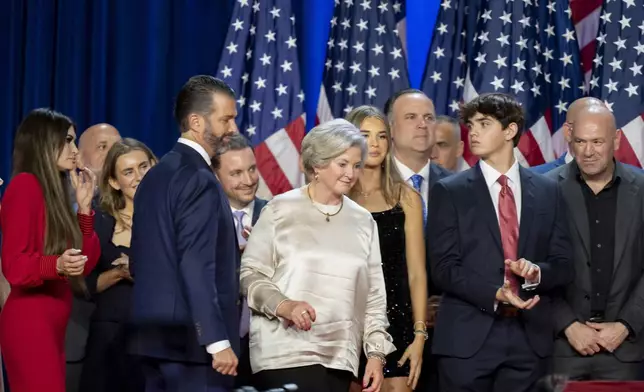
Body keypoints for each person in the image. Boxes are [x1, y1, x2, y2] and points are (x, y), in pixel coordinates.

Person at [428, 93, 574, 391]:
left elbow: (564, 264)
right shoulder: (450, 191)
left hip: (529, 341)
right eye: (471, 125)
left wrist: (536, 273)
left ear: (510, 131)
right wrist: (495, 293)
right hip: (467, 341)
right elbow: (442, 267)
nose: (474, 132)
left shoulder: (548, 191)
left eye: (484, 123)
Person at [240, 119, 395, 392]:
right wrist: (284, 305)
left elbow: (374, 296)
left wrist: (375, 353)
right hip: (282, 354)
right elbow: (250, 275)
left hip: (339, 358)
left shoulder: (363, 221)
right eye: (342, 164)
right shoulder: (279, 210)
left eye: (356, 165)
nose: (351, 173)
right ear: (318, 165)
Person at [128, 75, 241, 392]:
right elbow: (195, 264)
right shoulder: (199, 178)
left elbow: (138, 262)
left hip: (151, 343)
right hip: (192, 349)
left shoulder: (155, 176)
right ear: (196, 121)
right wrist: (216, 340)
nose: (232, 128)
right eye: (225, 119)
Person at [0, 108, 100, 392]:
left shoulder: (53, 194)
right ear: (45, 141)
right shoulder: (24, 186)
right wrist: (55, 265)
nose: (75, 150)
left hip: (51, 325)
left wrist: (84, 208)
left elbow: (87, 262)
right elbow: (15, 266)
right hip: (30, 324)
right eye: (68, 140)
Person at [547, 104, 644, 380]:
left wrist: (626, 325)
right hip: (562, 350)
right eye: (580, 142)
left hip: (627, 351)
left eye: (597, 142)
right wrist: (568, 325)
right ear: (570, 139)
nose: (587, 152)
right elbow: (533, 271)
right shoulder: (544, 190)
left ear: (616, 140)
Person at [346, 106, 427, 391]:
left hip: (399, 323)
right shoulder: (337, 196)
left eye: (382, 136)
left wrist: (419, 335)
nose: (375, 143)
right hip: (347, 321)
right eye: (365, 135)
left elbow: (416, 272)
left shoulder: (407, 198)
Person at [384, 88, 451, 391]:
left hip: (447, 334)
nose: (422, 124)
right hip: (385, 332)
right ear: (390, 129)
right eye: (411, 117)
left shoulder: (458, 187)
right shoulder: (367, 186)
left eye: (428, 117)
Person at [79, 138, 157, 392]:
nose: (139, 176)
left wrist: (135, 268)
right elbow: (82, 282)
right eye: (128, 171)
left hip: (157, 336)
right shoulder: (101, 221)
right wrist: (118, 273)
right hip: (108, 339)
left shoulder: (172, 218)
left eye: (144, 167)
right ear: (114, 182)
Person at [67, 122, 121, 392]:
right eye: (103, 147)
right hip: (73, 341)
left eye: (117, 146)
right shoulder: (59, 207)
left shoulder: (142, 205)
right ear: (79, 159)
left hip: (127, 345)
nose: (114, 153)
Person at [213, 132, 268, 388]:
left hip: (266, 347)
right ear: (215, 176)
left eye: (252, 169)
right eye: (236, 173)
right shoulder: (203, 219)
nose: (248, 180)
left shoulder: (276, 215)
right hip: (217, 346)